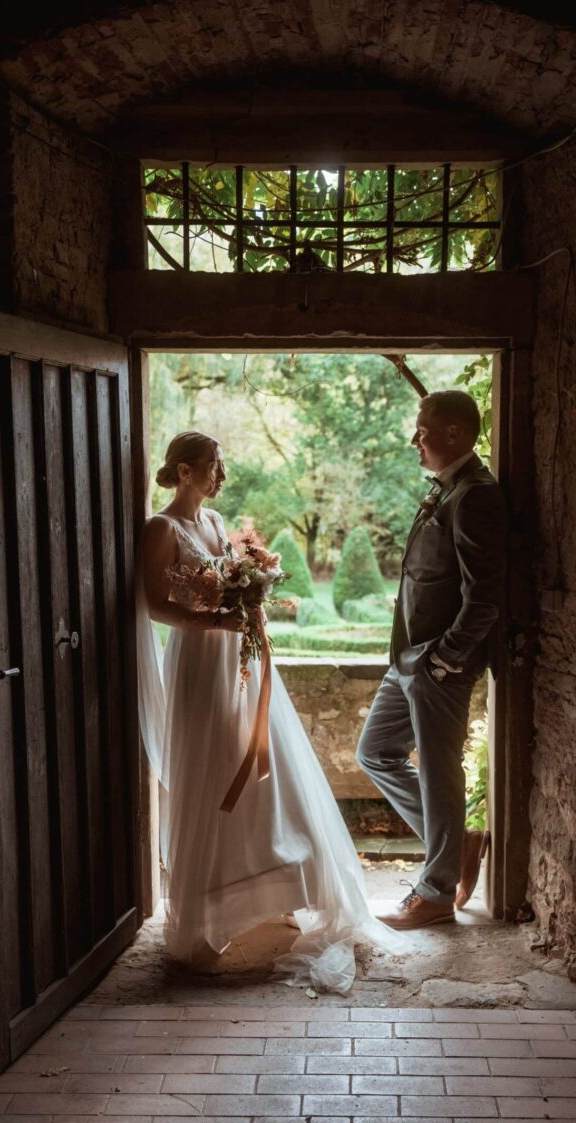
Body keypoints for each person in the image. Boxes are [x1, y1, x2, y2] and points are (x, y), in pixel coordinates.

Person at [135, 429, 400, 992]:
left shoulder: (213, 521)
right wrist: (214, 620)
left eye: (221, 464)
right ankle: (203, 920)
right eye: (212, 465)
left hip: (238, 658)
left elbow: (229, 585)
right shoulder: (162, 527)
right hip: (198, 662)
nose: (220, 475)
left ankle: (272, 888)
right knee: (208, 774)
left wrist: (250, 589)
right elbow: (154, 603)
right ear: (183, 472)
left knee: (262, 773)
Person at [356, 390, 507, 930]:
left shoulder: (475, 496)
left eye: (422, 432)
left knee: (441, 774)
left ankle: (436, 893)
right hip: (409, 661)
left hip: (437, 664)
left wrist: (445, 659)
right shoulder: (448, 490)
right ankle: (459, 845)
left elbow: (485, 595)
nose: (413, 441)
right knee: (374, 752)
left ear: (452, 435)